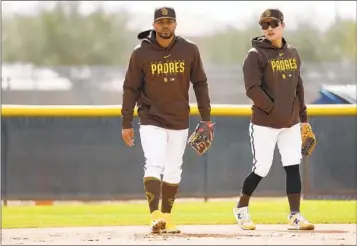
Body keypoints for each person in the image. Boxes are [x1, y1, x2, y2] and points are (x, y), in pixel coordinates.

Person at [121, 7, 212, 234]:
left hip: (179, 118)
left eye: (169, 21)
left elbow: (200, 83)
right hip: (150, 117)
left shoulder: (189, 50)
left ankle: (167, 218)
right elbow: (130, 88)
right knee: (154, 162)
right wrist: (126, 122)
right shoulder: (140, 52)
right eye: (160, 21)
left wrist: (206, 118)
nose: (165, 25)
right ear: (154, 25)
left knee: (174, 168)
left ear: (175, 24)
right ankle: (155, 216)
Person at [233, 8, 315, 231]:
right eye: (264, 24)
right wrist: (273, 109)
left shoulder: (292, 53)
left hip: (291, 123)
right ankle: (241, 208)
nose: (269, 28)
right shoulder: (255, 55)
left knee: (292, 166)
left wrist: (303, 118)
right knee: (262, 167)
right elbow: (252, 89)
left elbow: (298, 87)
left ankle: (295, 215)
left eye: (273, 23)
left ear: (282, 25)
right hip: (264, 123)